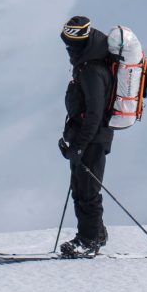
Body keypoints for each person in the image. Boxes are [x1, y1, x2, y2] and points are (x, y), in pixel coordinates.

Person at [57, 15, 113, 256]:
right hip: (88, 138)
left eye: (71, 45)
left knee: (87, 190)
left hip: (93, 139)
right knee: (81, 187)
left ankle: (89, 241)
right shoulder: (87, 64)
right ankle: (95, 234)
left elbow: (94, 114)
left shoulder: (91, 71)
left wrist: (79, 146)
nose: (68, 49)